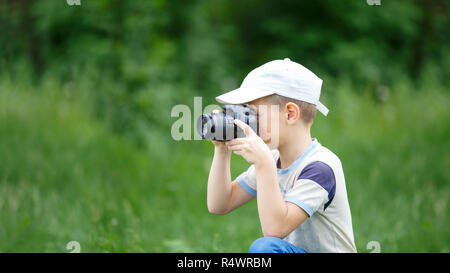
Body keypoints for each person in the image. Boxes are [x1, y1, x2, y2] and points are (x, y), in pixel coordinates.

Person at [206, 58, 357, 253]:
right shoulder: (273, 158)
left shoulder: (321, 167)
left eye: (252, 114)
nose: (245, 123)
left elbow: (274, 229)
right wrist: (222, 149)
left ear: (290, 114)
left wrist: (264, 165)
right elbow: (220, 204)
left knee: (265, 248)